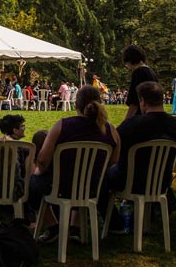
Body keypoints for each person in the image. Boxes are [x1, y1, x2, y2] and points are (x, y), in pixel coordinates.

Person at [29, 85, 120, 243]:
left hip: (61, 187)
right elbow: (113, 161)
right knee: (86, 180)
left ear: (76, 104)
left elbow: (43, 160)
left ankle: (53, 226)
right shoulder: (110, 130)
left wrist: (39, 171)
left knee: (33, 184)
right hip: (93, 187)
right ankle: (75, 227)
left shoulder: (62, 125)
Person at [102, 81, 176, 231]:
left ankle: (114, 223)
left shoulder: (132, 125)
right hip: (161, 181)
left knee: (101, 177)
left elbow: (114, 144)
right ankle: (157, 212)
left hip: (130, 181)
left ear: (142, 101)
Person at [122, 44, 158, 120]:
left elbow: (134, 102)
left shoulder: (138, 73)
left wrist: (125, 123)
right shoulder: (151, 72)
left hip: (141, 117)